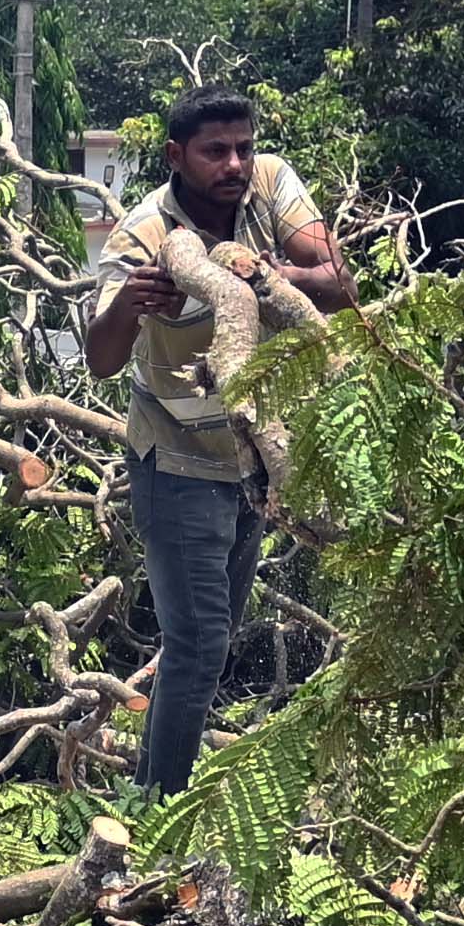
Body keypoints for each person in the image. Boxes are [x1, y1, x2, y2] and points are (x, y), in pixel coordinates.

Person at [82, 85, 352, 793]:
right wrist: (134, 304)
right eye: (214, 152)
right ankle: (156, 810)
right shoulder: (142, 232)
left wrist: (261, 276)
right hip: (177, 462)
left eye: (242, 147)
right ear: (176, 157)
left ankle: (159, 796)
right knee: (197, 646)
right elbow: (102, 358)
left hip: (254, 463)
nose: (233, 164)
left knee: (213, 642)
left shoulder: (271, 183)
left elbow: (337, 280)